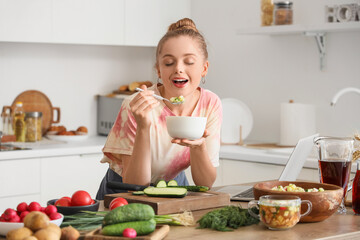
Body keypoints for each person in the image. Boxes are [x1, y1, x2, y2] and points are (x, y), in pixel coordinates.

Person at [96, 18, 222, 200]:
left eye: (189, 62)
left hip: (174, 187)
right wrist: (143, 127)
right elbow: (135, 186)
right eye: (169, 63)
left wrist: (199, 147)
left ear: (204, 68)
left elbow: (205, 184)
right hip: (123, 193)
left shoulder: (210, 103)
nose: (179, 69)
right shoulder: (136, 106)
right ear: (158, 70)